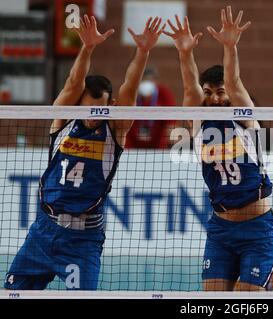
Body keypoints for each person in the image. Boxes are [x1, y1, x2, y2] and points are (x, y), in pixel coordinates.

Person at [4, 15, 165, 290]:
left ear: (109, 106)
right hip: (43, 231)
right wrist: (87, 48)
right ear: (78, 104)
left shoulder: (115, 129)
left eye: (99, 110)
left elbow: (129, 90)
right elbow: (72, 82)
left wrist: (142, 52)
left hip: (83, 240)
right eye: (88, 109)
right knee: (11, 294)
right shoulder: (64, 121)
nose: (93, 117)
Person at [164, 7, 273, 291]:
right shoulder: (199, 123)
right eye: (209, 93)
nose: (214, 98)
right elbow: (190, 89)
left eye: (220, 92)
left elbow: (235, 82)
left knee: (244, 299)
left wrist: (230, 47)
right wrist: (185, 52)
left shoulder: (244, 117)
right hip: (220, 229)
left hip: (257, 228)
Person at [125, 66, 177, 149]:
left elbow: (171, 120)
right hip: (133, 142)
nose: (146, 83)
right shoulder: (131, 93)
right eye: (144, 80)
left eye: (150, 80)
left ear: (155, 81)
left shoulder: (164, 92)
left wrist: (171, 135)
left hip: (158, 142)